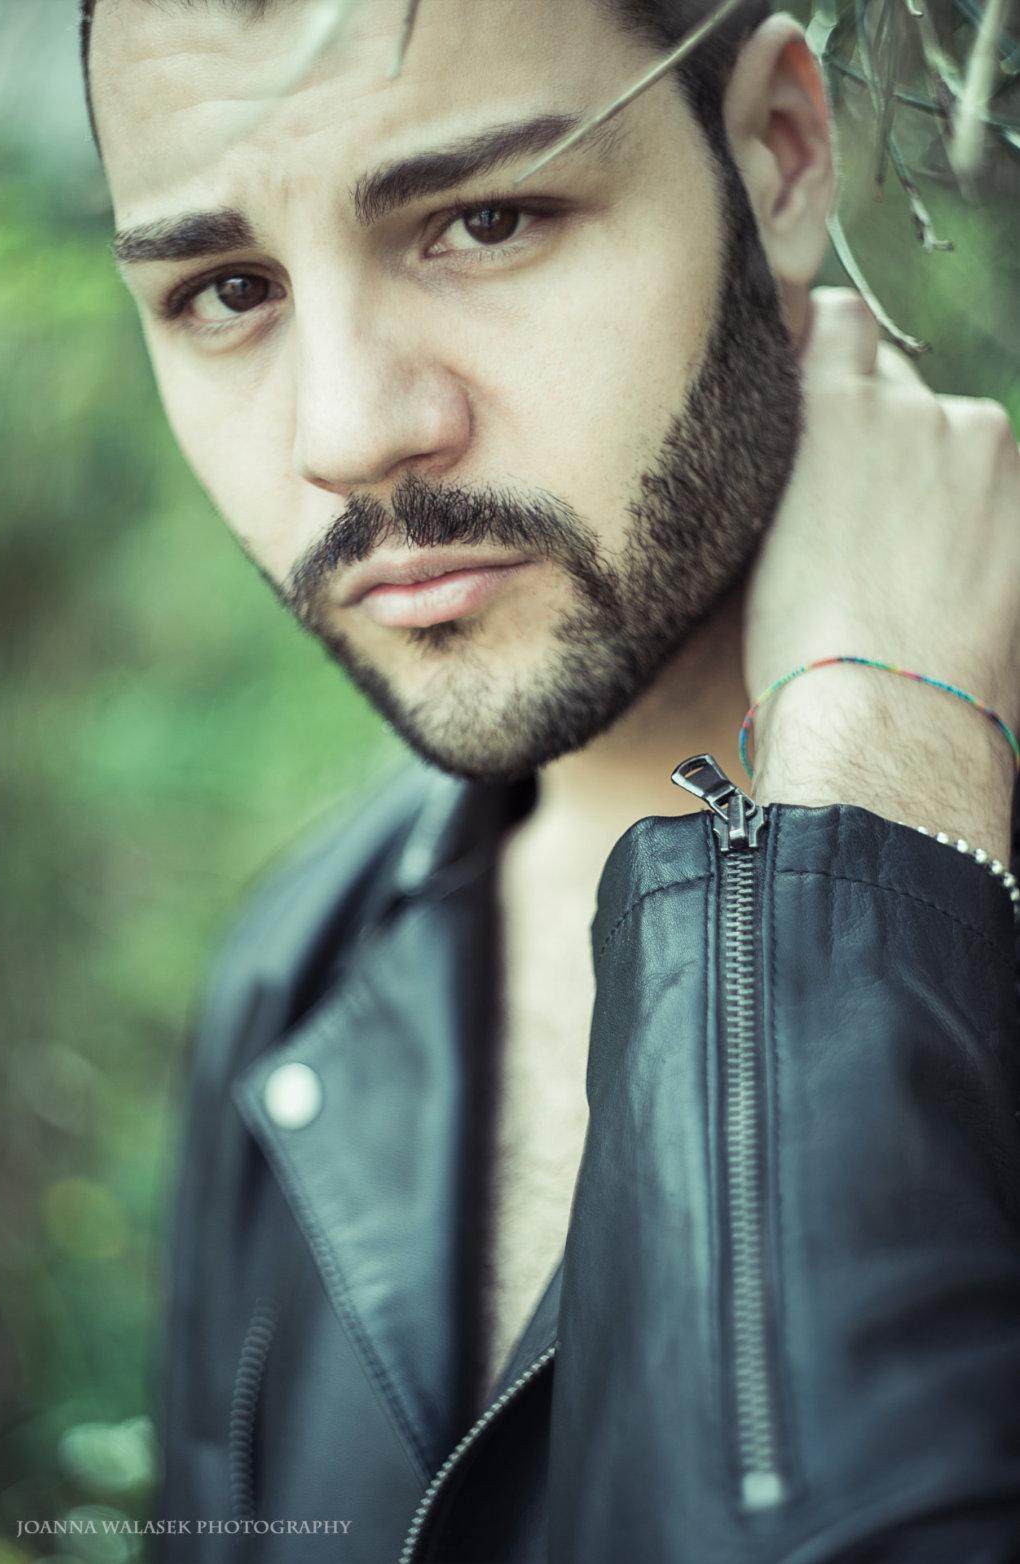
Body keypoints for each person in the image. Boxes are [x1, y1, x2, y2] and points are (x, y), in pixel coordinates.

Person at [80, 0, 1020, 1558]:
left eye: (485, 220)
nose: (347, 433)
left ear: (781, 155)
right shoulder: (298, 975)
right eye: (228, 290)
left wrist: (881, 780)